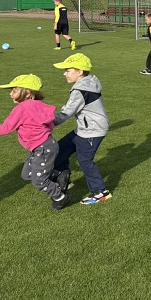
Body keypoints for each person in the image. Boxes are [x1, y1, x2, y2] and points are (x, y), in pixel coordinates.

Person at [0, 74, 70, 211]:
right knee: (27, 175)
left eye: (14, 90)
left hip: (42, 148)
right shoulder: (37, 105)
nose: (10, 94)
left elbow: (6, 129)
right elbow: (49, 124)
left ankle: (60, 197)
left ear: (27, 93)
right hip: (42, 146)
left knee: (39, 181)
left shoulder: (21, 109)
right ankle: (58, 175)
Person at [50, 53, 112, 206]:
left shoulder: (80, 91)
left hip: (93, 130)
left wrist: (45, 123)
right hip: (84, 129)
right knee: (61, 149)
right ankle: (63, 179)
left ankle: (100, 192)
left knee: (84, 160)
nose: (64, 73)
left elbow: (65, 113)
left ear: (80, 71)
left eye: (68, 70)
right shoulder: (87, 83)